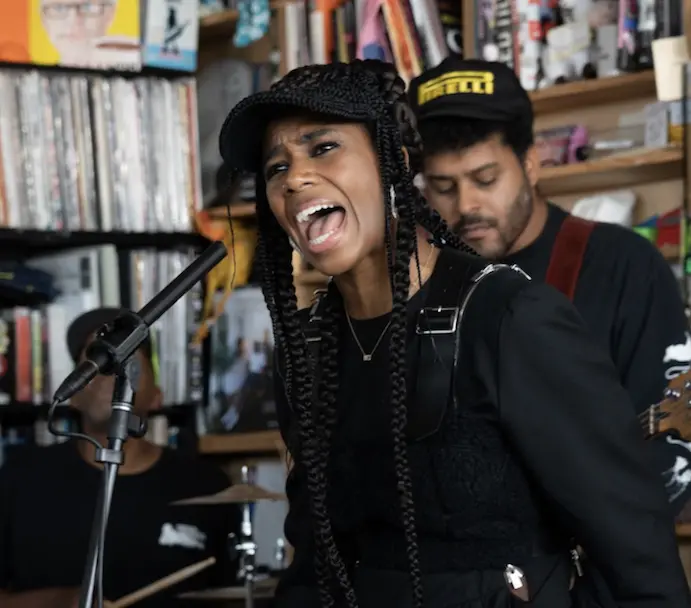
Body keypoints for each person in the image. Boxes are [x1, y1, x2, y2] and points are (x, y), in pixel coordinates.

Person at [218, 59, 691, 607]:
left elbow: (640, 565)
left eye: (323, 147)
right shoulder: (310, 349)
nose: (295, 176)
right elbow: (315, 564)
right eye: (276, 168)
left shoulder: (511, 316)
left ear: (392, 163)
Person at [409, 56, 691, 514]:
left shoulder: (622, 266)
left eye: (486, 179)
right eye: (442, 186)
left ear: (531, 163)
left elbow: (669, 459)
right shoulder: (421, 283)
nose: (466, 205)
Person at [0, 307, 240, 608]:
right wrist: (62, 602)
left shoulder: (206, 485)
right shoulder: (21, 479)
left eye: (129, 358)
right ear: (73, 393)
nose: (112, 371)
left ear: (157, 395)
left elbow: (235, 596)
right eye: (98, 357)